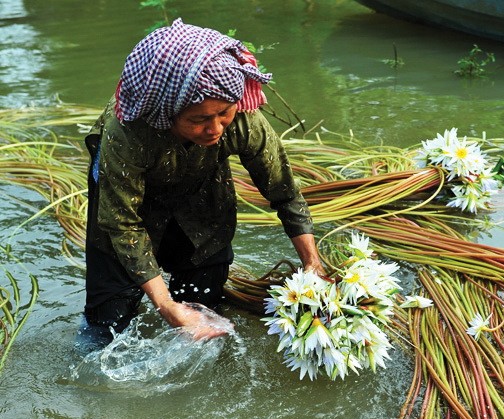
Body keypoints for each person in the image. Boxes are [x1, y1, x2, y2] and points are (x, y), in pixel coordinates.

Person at [82, 19, 324, 341]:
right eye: (198, 119)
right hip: (127, 196)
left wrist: (312, 263)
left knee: (204, 293)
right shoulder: (128, 133)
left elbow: (284, 193)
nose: (215, 129)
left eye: (223, 113)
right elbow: (122, 223)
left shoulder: (241, 119)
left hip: (200, 183)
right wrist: (166, 306)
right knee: (108, 319)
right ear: (167, 115)